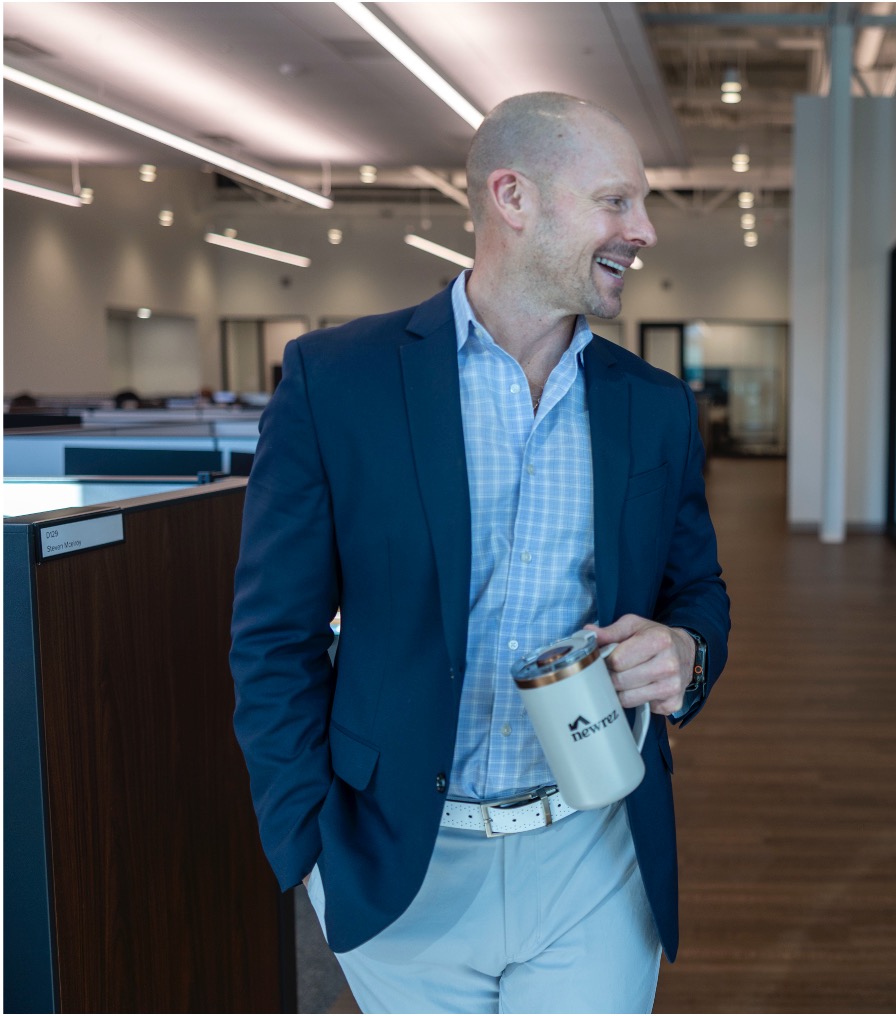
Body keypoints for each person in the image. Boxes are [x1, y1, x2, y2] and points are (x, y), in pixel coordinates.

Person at [229, 92, 730, 1014]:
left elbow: (695, 588)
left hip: (593, 847)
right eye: (617, 201)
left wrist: (688, 651)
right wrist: (305, 844)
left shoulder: (652, 406)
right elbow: (273, 636)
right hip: (401, 861)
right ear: (513, 197)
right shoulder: (338, 380)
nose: (645, 230)